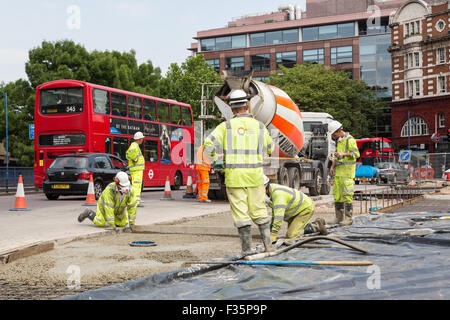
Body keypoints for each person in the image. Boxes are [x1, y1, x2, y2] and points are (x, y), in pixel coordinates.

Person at [203, 89, 274, 255]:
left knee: (241, 215)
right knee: (260, 212)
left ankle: (246, 250)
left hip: (235, 177)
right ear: (247, 105)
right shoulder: (259, 126)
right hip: (255, 177)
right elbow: (270, 148)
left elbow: (208, 146)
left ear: (231, 107)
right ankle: (268, 247)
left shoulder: (225, 126)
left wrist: (216, 160)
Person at [264, 175, 327, 243]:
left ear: (264, 187)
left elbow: (279, 216)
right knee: (292, 230)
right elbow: (276, 212)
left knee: (291, 235)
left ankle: (316, 226)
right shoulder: (272, 190)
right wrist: (272, 226)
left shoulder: (278, 195)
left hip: (305, 209)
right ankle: (314, 225)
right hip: (296, 212)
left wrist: (273, 233)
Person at [329, 121, 360, 225]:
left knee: (347, 195)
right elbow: (336, 156)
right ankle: (338, 217)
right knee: (337, 195)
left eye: (334, 134)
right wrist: (332, 167)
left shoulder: (350, 140)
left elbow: (356, 154)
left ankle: (348, 218)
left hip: (347, 173)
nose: (333, 136)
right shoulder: (339, 141)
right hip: (339, 173)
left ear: (339, 131)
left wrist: (343, 154)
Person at [126, 132, 145, 207]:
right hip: (137, 169)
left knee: (136, 185)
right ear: (140, 139)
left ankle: (135, 201)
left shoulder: (134, 145)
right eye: (142, 138)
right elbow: (130, 153)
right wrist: (135, 159)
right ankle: (135, 202)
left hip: (137, 169)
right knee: (136, 186)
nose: (142, 140)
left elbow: (127, 154)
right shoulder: (134, 146)